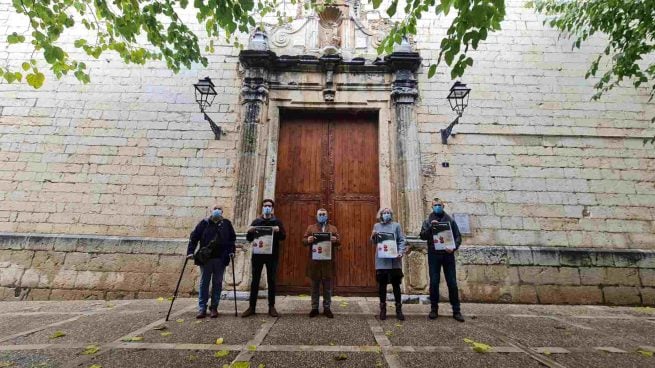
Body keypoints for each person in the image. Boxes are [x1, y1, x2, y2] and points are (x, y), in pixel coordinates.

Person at [187, 205, 236, 319]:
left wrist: (231, 251)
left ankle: (214, 307)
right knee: (204, 283)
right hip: (206, 258)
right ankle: (202, 307)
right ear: (211, 211)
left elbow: (231, 239)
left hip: (221, 258)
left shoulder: (226, 224)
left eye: (219, 209)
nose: (217, 211)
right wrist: (190, 251)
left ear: (222, 212)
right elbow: (194, 237)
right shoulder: (204, 223)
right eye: (215, 209)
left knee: (217, 283)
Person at [419, 197, 464, 322]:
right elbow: (422, 236)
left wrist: (453, 247)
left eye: (439, 205)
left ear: (443, 206)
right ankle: (434, 309)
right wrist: (430, 228)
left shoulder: (450, 220)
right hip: (434, 254)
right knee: (434, 282)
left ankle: (456, 310)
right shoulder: (428, 220)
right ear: (432, 207)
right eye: (435, 205)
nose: (437, 207)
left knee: (452, 283)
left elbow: (458, 236)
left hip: (448, 255)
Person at [241, 199, 286, 318]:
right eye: (265, 206)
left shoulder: (277, 221)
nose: (267, 207)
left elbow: (283, 237)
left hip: (272, 256)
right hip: (258, 256)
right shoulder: (256, 221)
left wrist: (278, 230)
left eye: (269, 206)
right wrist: (250, 231)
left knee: (271, 281)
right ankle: (251, 307)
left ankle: (271, 307)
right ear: (262, 207)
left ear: (272, 208)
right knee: (255, 281)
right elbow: (249, 239)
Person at [302, 208, 340, 318]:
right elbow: (303, 241)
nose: (322, 216)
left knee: (327, 287)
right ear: (317, 216)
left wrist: (335, 240)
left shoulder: (333, 228)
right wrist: (308, 240)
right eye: (320, 214)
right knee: (314, 287)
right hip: (315, 262)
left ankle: (327, 308)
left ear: (327, 216)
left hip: (328, 262)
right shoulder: (311, 228)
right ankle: (314, 308)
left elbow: (339, 241)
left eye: (324, 214)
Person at [370, 207, 406, 321]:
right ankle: (383, 309)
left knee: (396, 286)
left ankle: (398, 310)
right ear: (380, 215)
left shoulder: (396, 225)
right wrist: (373, 235)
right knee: (382, 286)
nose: (386, 214)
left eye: (389, 213)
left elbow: (401, 240)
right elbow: (373, 242)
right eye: (384, 213)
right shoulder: (377, 226)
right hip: (382, 261)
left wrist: (401, 252)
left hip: (394, 261)